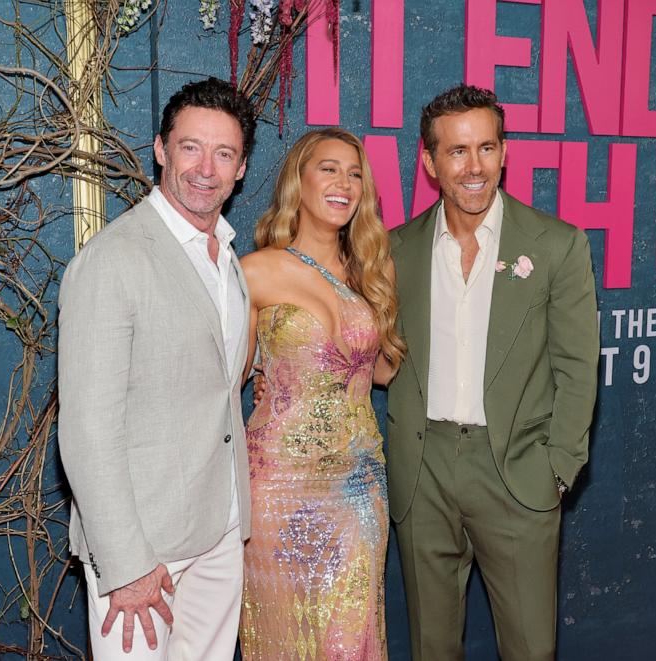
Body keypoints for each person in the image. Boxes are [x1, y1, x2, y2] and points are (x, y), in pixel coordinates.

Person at [386, 84, 599, 660]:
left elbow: (579, 367)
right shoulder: (395, 249)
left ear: (505, 152)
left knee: (530, 648)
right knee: (431, 647)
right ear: (430, 162)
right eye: (456, 152)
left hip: (517, 472)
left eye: (486, 147)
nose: (474, 166)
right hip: (423, 472)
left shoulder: (556, 245)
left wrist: (558, 468)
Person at [57, 77, 257, 660]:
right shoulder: (112, 261)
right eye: (191, 147)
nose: (205, 168)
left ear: (241, 169)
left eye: (225, 154)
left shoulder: (226, 257)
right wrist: (126, 563)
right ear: (161, 149)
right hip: (144, 547)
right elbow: (86, 429)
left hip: (219, 529)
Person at [238, 128, 405, 660]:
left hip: (357, 486)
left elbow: (382, 372)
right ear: (299, 180)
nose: (344, 183)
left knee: (347, 641)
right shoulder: (255, 270)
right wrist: (271, 369)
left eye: (355, 174)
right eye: (329, 168)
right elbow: (227, 378)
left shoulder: (371, 272)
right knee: (282, 635)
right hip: (277, 486)